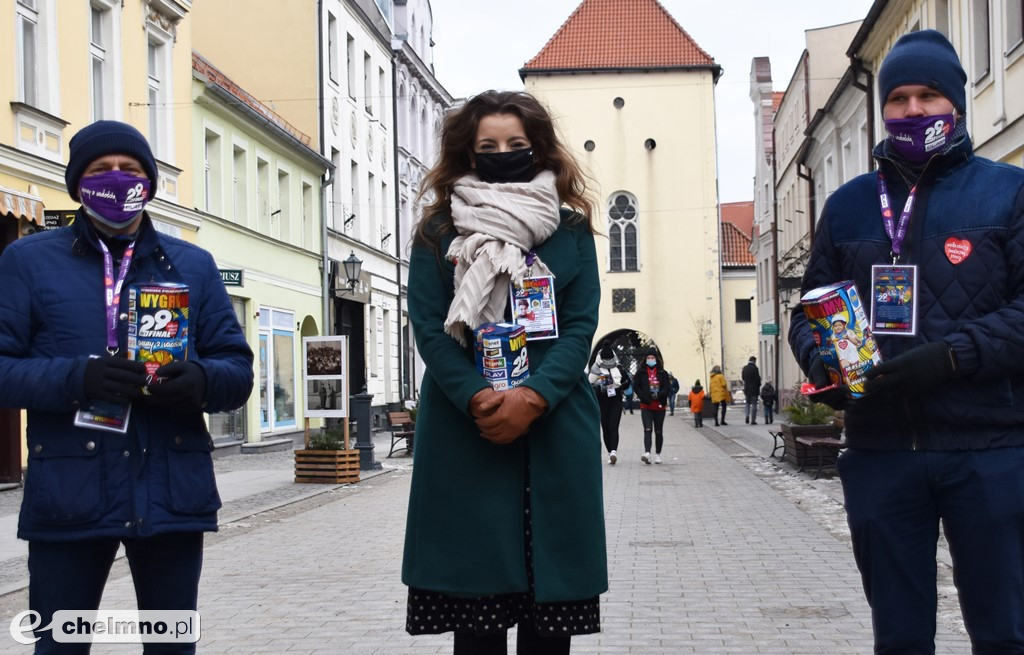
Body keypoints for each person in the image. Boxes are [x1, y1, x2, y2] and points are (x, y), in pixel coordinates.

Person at [788, 30, 1024, 653]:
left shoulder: (1007, 192)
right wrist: (825, 366)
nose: (914, 110)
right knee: (898, 636)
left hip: (991, 448)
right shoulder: (848, 207)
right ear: (883, 110)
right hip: (881, 449)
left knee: (1005, 633)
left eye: (929, 96)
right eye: (898, 98)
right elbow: (810, 311)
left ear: (957, 103)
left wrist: (949, 357)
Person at [0, 120, 254, 654]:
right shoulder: (26, 260)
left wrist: (202, 381)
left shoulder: (193, 265)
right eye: (101, 170)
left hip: (169, 485)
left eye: (130, 170)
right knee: (60, 646)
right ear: (77, 184)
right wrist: (79, 376)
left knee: (170, 647)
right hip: (69, 491)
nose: (117, 180)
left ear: (150, 181)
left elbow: (237, 370)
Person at [402, 90, 607, 655]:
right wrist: (476, 398)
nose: (503, 152)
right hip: (469, 431)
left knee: (549, 632)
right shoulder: (438, 231)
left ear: (538, 149)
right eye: (487, 145)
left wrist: (534, 398)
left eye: (516, 144)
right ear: (467, 155)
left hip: (554, 425)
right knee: (478, 629)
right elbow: (428, 325)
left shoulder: (569, 230)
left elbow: (580, 326)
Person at [588, 345, 630, 465]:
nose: (607, 362)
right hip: (601, 401)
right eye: (605, 359)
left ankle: (613, 452)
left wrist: (619, 386)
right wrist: (598, 387)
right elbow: (589, 385)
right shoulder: (595, 369)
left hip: (615, 400)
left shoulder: (619, 368)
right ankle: (609, 452)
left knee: (613, 426)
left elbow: (628, 382)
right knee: (605, 427)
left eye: (609, 359)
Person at [632, 347, 670, 464]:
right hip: (646, 405)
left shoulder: (662, 373)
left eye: (652, 357)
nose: (650, 359)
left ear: (656, 359)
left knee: (658, 431)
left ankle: (658, 454)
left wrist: (659, 394)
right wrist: (645, 396)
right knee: (647, 429)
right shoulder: (641, 372)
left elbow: (667, 387)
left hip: (659, 405)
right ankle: (647, 452)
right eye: (648, 358)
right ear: (645, 359)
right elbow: (636, 387)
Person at [741, 356, 761, 425]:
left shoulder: (745, 368)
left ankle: (747, 415)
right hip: (754, 389)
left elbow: (743, 378)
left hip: (747, 389)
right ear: (754, 361)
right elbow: (757, 379)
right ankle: (753, 420)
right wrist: (758, 385)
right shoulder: (755, 368)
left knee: (747, 404)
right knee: (754, 405)